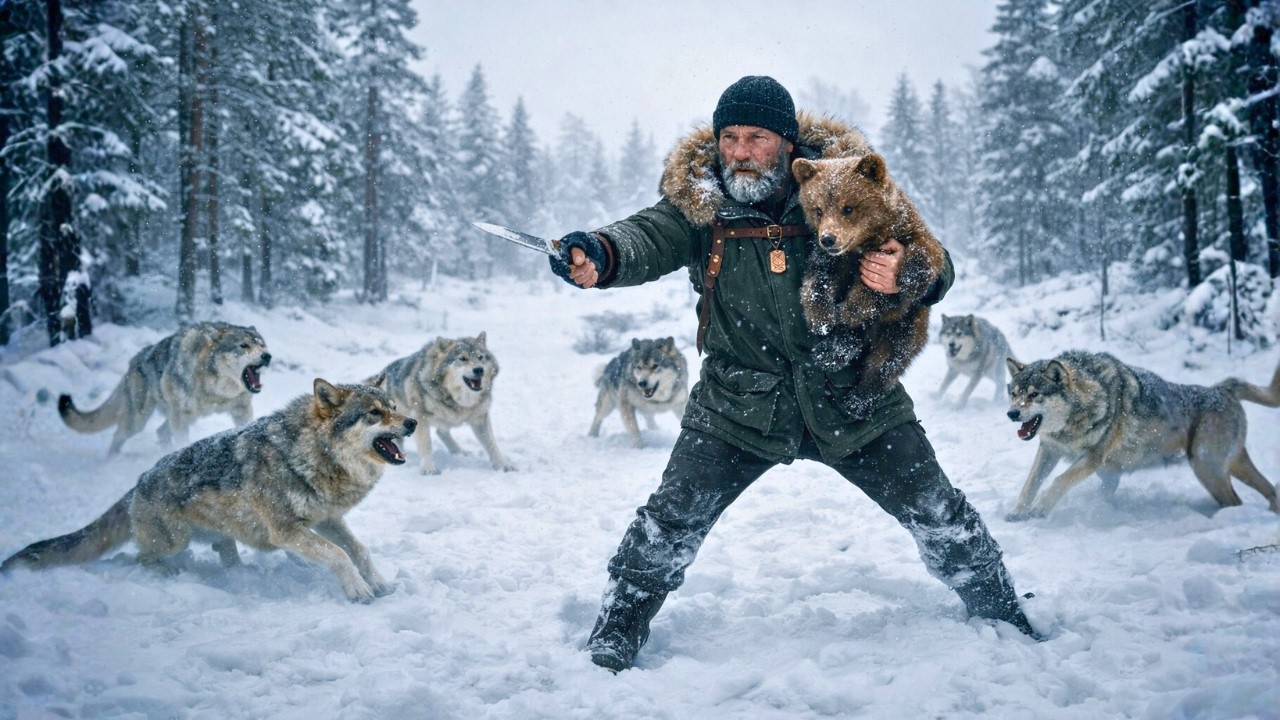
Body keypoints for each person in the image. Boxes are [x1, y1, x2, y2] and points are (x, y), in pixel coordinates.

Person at [550, 75, 1039, 673]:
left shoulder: (849, 186)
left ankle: (1003, 612)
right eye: (729, 137)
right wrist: (601, 253)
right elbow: (648, 235)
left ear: (787, 143)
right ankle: (616, 632)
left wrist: (908, 272)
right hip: (739, 399)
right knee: (669, 521)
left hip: (853, 392)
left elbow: (934, 261)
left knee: (938, 512)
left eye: (756, 137)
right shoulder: (702, 199)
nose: (739, 151)